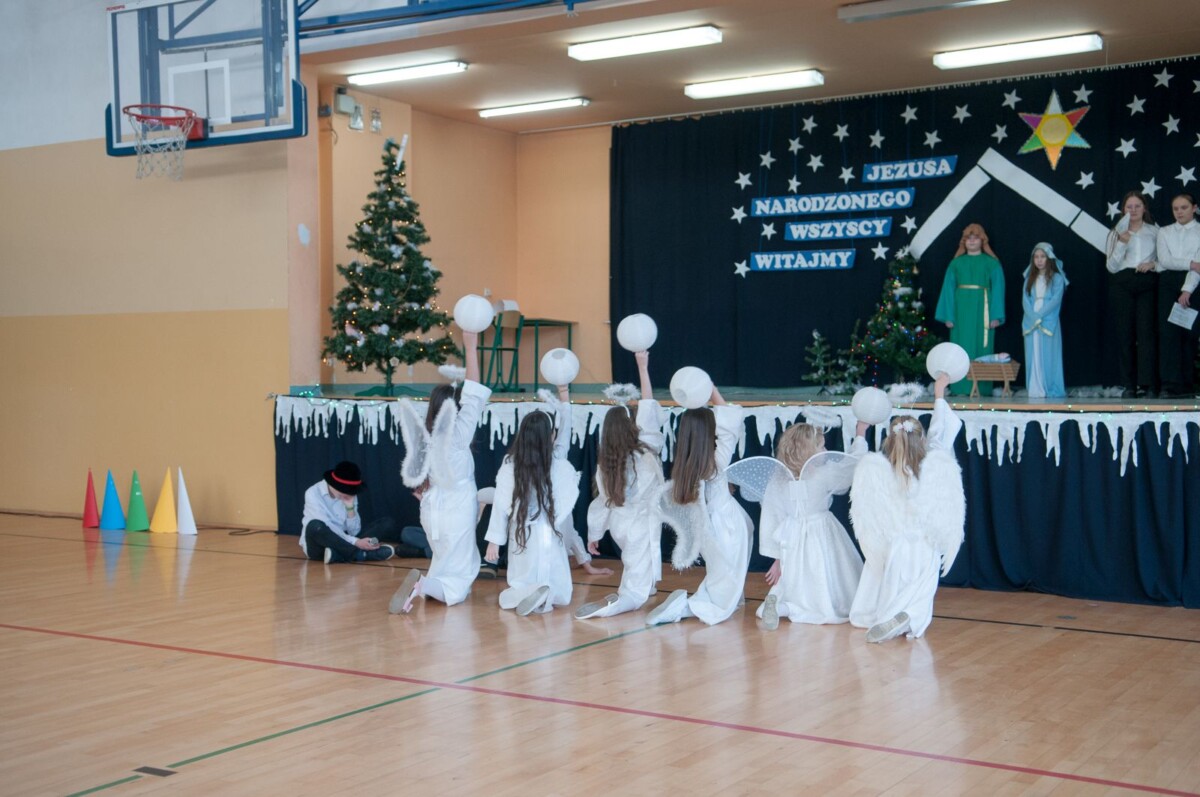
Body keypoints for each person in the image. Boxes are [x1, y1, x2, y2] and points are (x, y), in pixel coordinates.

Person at [848, 373, 965, 642]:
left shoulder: (878, 471)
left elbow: (855, 463)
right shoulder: (934, 465)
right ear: (921, 439)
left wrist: (861, 433)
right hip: (925, 544)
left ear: (890, 441)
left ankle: (890, 616)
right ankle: (908, 617)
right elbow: (941, 432)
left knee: (893, 587)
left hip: (896, 546)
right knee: (920, 592)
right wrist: (939, 393)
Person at [390, 330, 490, 614]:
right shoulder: (457, 435)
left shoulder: (428, 438)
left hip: (431, 511)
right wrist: (470, 346)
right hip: (456, 509)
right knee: (461, 573)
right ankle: (421, 584)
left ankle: (426, 587)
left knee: (446, 567)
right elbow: (474, 391)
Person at [647, 386, 754, 627]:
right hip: (726, 524)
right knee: (722, 587)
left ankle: (727, 599)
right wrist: (711, 389)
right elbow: (730, 426)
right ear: (710, 433)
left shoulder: (686, 466)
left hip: (707, 527)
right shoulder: (716, 462)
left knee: (722, 575)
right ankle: (687, 607)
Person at [754, 419, 870, 630]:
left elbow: (772, 517)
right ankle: (820, 607)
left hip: (792, 539)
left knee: (794, 585)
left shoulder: (778, 480)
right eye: (822, 447)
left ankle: (780, 606)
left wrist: (777, 558)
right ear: (809, 452)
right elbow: (853, 464)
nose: (825, 451)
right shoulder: (824, 473)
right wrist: (860, 435)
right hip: (821, 534)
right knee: (822, 578)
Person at [576, 350, 667, 620]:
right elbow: (648, 408)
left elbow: (603, 501)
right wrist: (643, 366)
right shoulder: (645, 451)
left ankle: (645, 586)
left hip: (620, 527)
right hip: (641, 526)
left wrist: (594, 533)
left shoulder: (605, 464)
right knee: (634, 592)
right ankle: (615, 604)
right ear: (631, 426)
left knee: (637, 569)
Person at [484, 386, 581, 616]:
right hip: (549, 534)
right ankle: (543, 596)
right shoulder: (556, 460)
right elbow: (565, 433)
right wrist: (565, 398)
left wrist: (494, 541)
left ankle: (533, 594)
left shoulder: (511, 465)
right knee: (559, 590)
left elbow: (500, 505)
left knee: (516, 586)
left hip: (522, 535)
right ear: (550, 437)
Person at [935, 223, 1006, 395]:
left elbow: (998, 289)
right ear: (963, 242)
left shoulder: (992, 263)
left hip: (984, 310)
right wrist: (948, 316)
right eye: (968, 238)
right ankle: (960, 386)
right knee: (960, 347)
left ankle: (982, 388)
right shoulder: (956, 264)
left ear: (982, 241)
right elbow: (947, 290)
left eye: (976, 238)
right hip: (960, 311)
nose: (972, 241)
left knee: (983, 348)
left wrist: (996, 315)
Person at [1106, 191, 1159, 398]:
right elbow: (1111, 266)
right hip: (1122, 283)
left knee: (1146, 334)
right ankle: (1129, 385)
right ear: (1124, 210)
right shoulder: (1115, 233)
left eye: (1138, 206)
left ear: (1144, 208)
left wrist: (1153, 264)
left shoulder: (1155, 231)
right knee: (1125, 335)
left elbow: (1163, 258)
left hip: (1146, 282)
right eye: (1129, 206)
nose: (1134, 210)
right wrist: (1122, 242)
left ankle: (1148, 384)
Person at [299, 460, 399, 564]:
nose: (349, 493)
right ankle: (362, 554)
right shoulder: (313, 493)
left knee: (388, 524)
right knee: (315, 526)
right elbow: (328, 527)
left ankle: (338, 555)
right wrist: (356, 542)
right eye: (346, 490)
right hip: (320, 546)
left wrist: (350, 508)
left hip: (346, 542)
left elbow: (354, 532)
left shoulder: (349, 494)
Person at [1156, 193, 1200, 397]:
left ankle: (1187, 384)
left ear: (1194, 208)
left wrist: (1187, 289)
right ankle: (1169, 383)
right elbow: (1165, 260)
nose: (1179, 212)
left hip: (1193, 283)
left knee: (1189, 335)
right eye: (1176, 208)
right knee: (1168, 334)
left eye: (1184, 207)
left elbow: (1199, 266)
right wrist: (1190, 263)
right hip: (1168, 283)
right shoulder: (1164, 232)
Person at [1021, 242, 1069, 399]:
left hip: (1048, 319)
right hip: (1031, 320)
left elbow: (1055, 300)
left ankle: (1050, 387)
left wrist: (1040, 315)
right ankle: (1034, 387)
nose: (1039, 260)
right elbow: (1025, 300)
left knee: (1049, 355)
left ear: (1049, 258)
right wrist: (1032, 316)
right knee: (1033, 353)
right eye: (1036, 257)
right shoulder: (1029, 278)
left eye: (1043, 256)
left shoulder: (1056, 278)